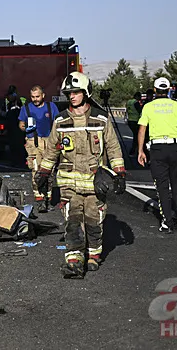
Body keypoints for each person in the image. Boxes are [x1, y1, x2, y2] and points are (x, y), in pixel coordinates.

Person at [35, 72, 126, 277]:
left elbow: (112, 147)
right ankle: (74, 260)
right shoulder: (60, 120)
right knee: (73, 221)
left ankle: (94, 254)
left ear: (86, 93)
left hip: (95, 183)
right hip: (69, 183)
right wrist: (43, 173)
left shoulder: (101, 119)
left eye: (76, 92)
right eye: (69, 93)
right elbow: (52, 150)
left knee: (94, 221)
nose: (72, 96)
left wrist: (119, 173)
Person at [137, 77, 177, 233]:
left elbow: (142, 130)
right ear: (169, 89)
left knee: (162, 186)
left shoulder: (148, 107)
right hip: (176, 148)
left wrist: (140, 150)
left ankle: (167, 221)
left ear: (155, 90)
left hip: (157, 149)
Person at [19, 85, 60, 212]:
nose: (35, 99)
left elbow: (58, 122)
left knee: (49, 171)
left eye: (37, 96)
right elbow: (21, 124)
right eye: (32, 97)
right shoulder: (26, 108)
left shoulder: (51, 107)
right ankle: (40, 199)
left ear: (43, 95)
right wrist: (25, 129)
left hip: (49, 141)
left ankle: (48, 197)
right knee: (36, 171)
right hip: (33, 142)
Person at [126, 92, 143, 156]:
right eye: (140, 97)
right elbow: (139, 110)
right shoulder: (135, 102)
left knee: (135, 135)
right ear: (137, 96)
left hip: (130, 120)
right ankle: (134, 151)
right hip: (136, 120)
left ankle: (135, 150)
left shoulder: (129, 102)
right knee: (136, 136)